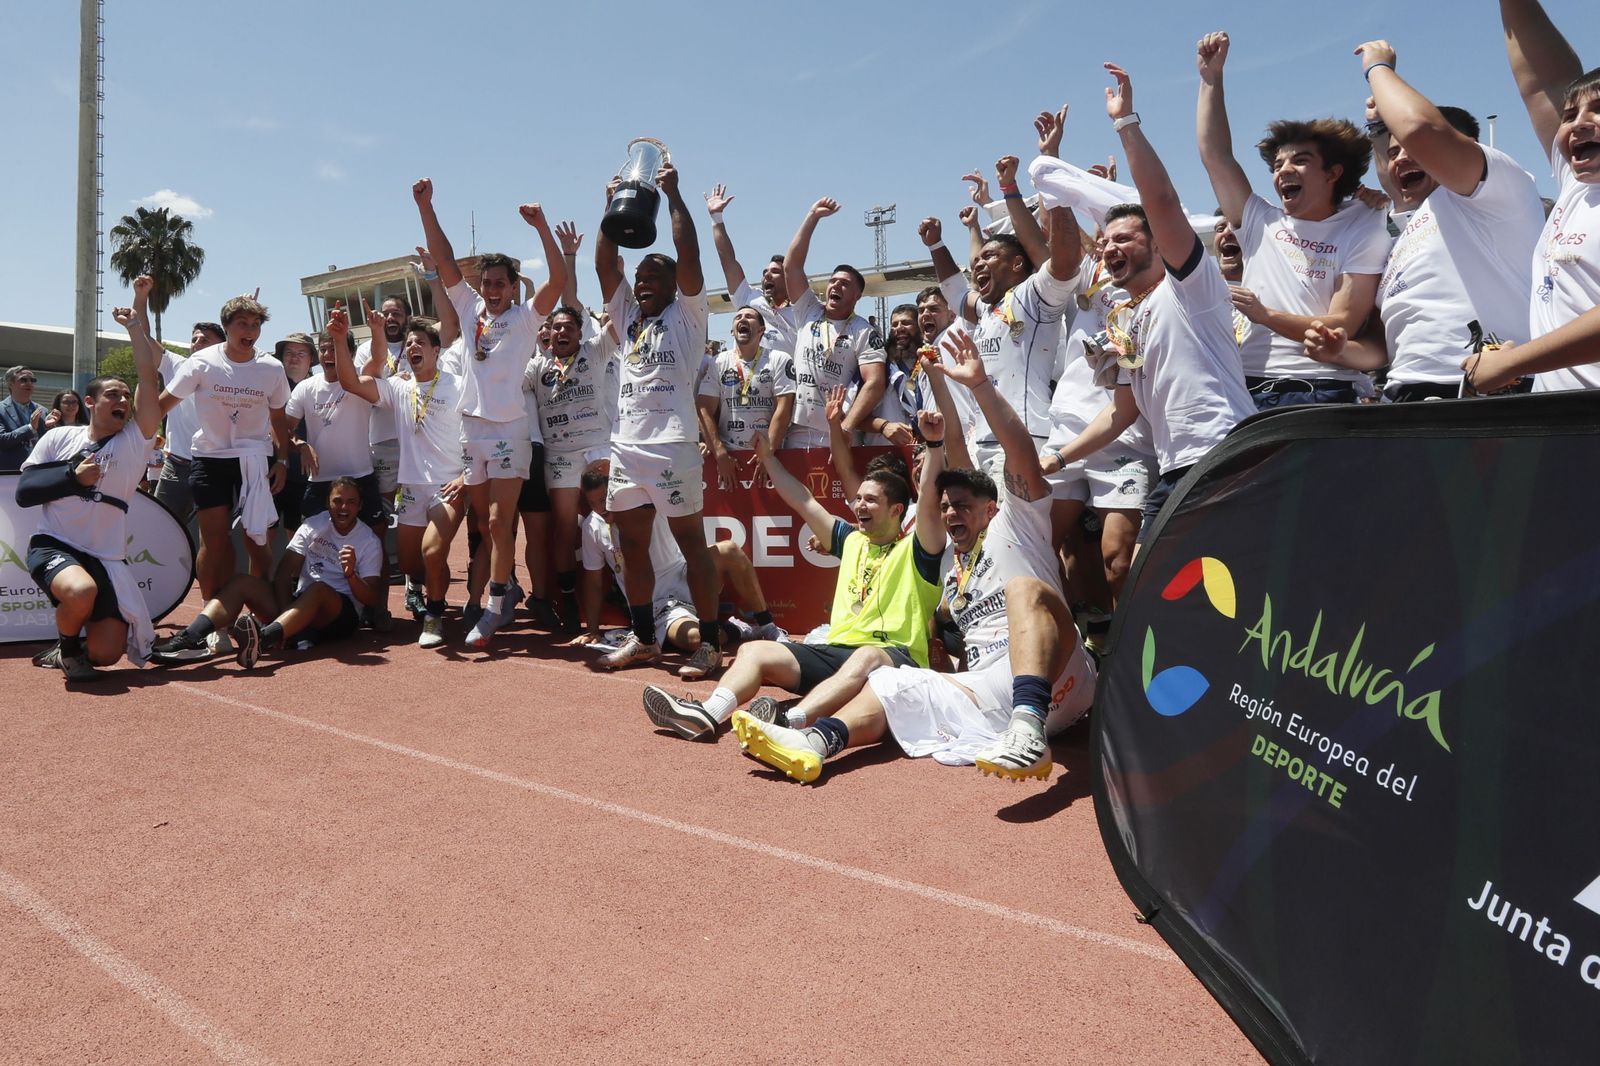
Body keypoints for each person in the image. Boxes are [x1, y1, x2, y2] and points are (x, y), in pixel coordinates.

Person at [731, 337, 1096, 783]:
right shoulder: (947, 564)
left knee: (1025, 588)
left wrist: (977, 386)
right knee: (888, 682)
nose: (949, 512)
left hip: (1055, 677)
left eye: (963, 505)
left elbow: (1014, 452)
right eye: (945, 506)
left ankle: (1028, 728)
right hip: (986, 689)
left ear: (991, 507)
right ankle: (815, 741)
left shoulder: (1018, 525)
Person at [1043, 63, 1257, 553]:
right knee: (1149, 581)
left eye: (1125, 238)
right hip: (1175, 465)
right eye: (1106, 242)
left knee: (1231, 578)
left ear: (1158, 243)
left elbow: (1161, 199)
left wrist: (1125, 123)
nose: (1110, 248)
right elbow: (1119, 415)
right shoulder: (1126, 319)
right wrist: (1056, 460)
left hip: (1224, 453)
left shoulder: (1190, 289)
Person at [640, 424, 943, 742]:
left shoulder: (919, 550)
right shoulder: (850, 540)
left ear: (897, 510)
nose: (858, 506)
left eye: (870, 500)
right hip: (838, 655)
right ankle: (706, 714)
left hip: (894, 660)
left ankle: (787, 722)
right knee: (755, 650)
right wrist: (768, 459)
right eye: (857, 499)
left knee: (867, 655)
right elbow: (804, 501)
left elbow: (930, 506)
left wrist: (934, 444)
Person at [1304, 43, 1546, 400]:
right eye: (1394, 152)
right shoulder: (1399, 240)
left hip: (1490, 394)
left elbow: (1420, 130)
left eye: (1412, 148)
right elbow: (1383, 348)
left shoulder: (1499, 191)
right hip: (1406, 398)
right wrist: (1340, 352)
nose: (1401, 158)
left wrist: (1379, 70)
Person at [1196, 31, 1390, 406]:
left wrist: (1266, 315)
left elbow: (1341, 325)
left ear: (1333, 174)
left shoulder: (1364, 223)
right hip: (1248, 388)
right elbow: (1215, 155)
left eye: (1300, 161)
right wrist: (1210, 79)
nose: (1284, 170)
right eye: (1279, 163)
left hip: (1321, 388)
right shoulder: (1258, 220)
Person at [414, 180, 566, 648]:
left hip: (510, 431)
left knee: (501, 522)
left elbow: (557, 281)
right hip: (472, 431)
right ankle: (498, 589)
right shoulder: (468, 308)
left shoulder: (524, 319)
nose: (493, 289)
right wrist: (426, 207)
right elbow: (443, 259)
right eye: (488, 282)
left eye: (501, 283)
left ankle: (497, 602)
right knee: (483, 527)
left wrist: (542, 228)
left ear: (514, 286)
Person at [592, 159, 726, 680]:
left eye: (654, 277)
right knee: (631, 547)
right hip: (625, 447)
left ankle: (710, 645)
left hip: (672, 446)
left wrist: (673, 196)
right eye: (640, 277)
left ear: (676, 286)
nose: (643, 284)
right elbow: (607, 266)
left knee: (693, 544)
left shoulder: (689, 316)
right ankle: (645, 638)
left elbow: (689, 252)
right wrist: (614, 205)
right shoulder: (627, 318)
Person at [15, 300, 163, 681]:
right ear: (90, 402)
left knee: (107, 654)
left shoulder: (135, 439)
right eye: (113, 394)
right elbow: (25, 492)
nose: (123, 401)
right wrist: (72, 478)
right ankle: (67, 650)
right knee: (80, 592)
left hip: (107, 556)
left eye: (125, 397)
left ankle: (69, 647)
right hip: (54, 543)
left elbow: (148, 379)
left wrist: (135, 329)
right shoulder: (60, 436)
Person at [1466, 0, 1600, 393]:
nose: (1578, 123)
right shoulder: (1578, 186)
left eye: (1598, 109)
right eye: (1569, 115)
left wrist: (1513, 361)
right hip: (1560, 423)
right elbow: (1542, 83)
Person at [931, 154, 1082, 476]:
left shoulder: (1033, 296)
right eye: (977, 260)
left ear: (1016, 264)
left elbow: (1063, 263)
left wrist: (1015, 189)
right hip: (982, 439)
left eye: (990, 257)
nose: (978, 264)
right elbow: (957, 293)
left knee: (1012, 527)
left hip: (1022, 435)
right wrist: (936, 245)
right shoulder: (986, 308)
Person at [150, 476, 383, 668]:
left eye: (351, 502)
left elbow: (371, 598)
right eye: (338, 501)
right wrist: (286, 619)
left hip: (339, 616)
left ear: (360, 506)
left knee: (319, 589)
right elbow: (283, 573)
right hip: (299, 606)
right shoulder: (314, 525)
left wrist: (351, 574)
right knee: (242, 582)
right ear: (328, 503)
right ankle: (188, 639)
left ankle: (261, 640)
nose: (344, 507)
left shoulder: (368, 541)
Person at [336, 309, 466, 649]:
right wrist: (339, 338)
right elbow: (351, 382)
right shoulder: (398, 386)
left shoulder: (459, 385)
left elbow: (479, 430)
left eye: (420, 342)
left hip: (448, 484)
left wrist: (468, 475)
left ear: (436, 350)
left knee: (433, 552)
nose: (412, 347)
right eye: (408, 344)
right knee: (411, 564)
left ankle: (434, 616)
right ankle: (424, 588)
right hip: (409, 488)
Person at [159, 293, 291, 600]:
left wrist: (282, 461)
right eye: (242, 324)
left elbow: (279, 418)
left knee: (257, 541)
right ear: (227, 326)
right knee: (214, 542)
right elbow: (163, 404)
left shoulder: (271, 368)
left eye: (256, 324)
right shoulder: (201, 363)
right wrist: (132, 434)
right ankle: (210, 614)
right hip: (209, 459)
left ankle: (261, 609)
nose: (250, 331)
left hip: (254, 460)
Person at [570, 468, 778, 661]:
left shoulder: (649, 503)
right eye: (593, 503)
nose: (601, 509)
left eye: (604, 499)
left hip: (687, 576)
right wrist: (593, 630)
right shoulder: (592, 527)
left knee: (729, 550)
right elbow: (594, 582)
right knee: (696, 640)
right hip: (658, 606)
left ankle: (768, 626)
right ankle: (735, 629)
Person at [282, 321, 395, 629]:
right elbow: (282, 430)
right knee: (306, 548)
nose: (330, 354)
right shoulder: (306, 387)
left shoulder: (360, 381)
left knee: (377, 546)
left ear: (348, 352)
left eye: (337, 348)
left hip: (361, 478)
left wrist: (376, 330)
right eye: (325, 349)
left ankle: (378, 610)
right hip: (320, 485)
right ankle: (299, 609)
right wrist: (299, 443)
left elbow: (378, 358)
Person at [782, 198, 889, 448]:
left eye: (845, 283)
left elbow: (875, 382)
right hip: (796, 431)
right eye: (833, 281)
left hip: (835, 431)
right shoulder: (809, 310)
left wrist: (846, 427)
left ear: (857, 296)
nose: (836, 285)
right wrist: (812, 217)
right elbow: (791, 267)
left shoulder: (864, 330)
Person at [706, 305, 796, 484]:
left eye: (749, 316)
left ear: (761, 330)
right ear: (732, 331)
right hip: (728, 459)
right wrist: (719, 453)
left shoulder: (779, 359)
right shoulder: (718, 362)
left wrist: (768, 453)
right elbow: (704, 408)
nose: (742, 319)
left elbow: (784, 409)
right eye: (738, 317)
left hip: (770, 457)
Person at [704, 183, 797, 354]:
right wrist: (716, 218)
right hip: (743, 378)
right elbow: (728, 260)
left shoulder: (803, 311)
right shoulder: (749, 297)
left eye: (775, 272)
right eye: (765, 272)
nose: (767, 275)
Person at [151, 316, 226, 524]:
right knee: (160, 527)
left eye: (205, 340)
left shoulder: (232, 374)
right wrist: (139, 302)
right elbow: (144, 340)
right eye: (194, 339)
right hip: (175, 466)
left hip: (214, 467)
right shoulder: (177, 365)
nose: (197, 343)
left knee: (209, 535)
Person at [0, 366, 46, 472]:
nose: (29, 383)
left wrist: (50, 427)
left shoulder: (42, 410)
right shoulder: (1, 409)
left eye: (32, 380)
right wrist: (30, 428)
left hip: (39, 471)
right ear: (10, 384)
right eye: (23, 380)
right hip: (10, 474)